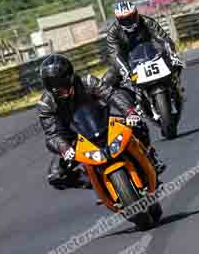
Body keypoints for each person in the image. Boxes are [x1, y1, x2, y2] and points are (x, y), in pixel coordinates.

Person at [37, 54, 166, 190]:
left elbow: (111, 94)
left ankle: (151, 156)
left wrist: (129, 111)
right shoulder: (46, 104)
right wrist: (64, 147)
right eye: (52, 84)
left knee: (137, 124)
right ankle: (96, 184)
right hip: (75, 139)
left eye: (59, 83)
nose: (57, 89)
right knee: (56, 176)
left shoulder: (87, 82)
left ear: (69, 77)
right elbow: (52, 134)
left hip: (103, 122)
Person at [103, 0, 186, 90]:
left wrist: (171, 53)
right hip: (128, 61)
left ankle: (175, 85)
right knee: (108, 80)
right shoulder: (113, 32)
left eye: (131, 17)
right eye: (124, 20)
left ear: (136, 14)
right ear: (118, 20)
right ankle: (127, 102)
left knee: (176, 62)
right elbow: (115, 54)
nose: (129, 22)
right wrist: (124, 69)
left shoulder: (147, 21)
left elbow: (163, 39)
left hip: (151, 54)